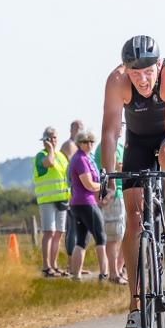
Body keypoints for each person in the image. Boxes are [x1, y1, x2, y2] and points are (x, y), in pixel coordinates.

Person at [100, 35, 165, 328]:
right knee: (135, 214)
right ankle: (135, 305)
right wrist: (106, 175)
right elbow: (111, 132)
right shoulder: (116, 81)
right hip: (138, 142)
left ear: (158, 65)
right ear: (125, 69)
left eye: (148, 71)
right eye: (135, 72)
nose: (142, 79)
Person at [67, 129, 109, 281]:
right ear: (79, 143)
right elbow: (89, 185)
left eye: (92, 141)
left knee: (82, 240)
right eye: (85, 142)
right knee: (101, 237)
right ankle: (104, 273)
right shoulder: (81, 160)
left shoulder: (85, 158)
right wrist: (104, 186)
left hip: (79, 203)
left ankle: (76, 275)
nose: (89, 144)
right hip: (86, 203)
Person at [31, 127, 69, 276]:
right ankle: (46, 267)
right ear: (45, 140)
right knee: (49, 232)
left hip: (62, 199)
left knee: (59, 233)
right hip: (47, 200)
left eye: (55, 138)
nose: (53, 141)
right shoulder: (41, 155)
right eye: (50, 138)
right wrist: (51, 150)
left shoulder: (61, 156)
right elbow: (49, 163)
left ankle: (54, 265)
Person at [95, 127, 127, 283]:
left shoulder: (121, 146)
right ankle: (113, 273)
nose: (121, 128)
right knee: (114, 235)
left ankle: (119, 268)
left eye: (122, 124)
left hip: (125, 192)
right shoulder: (104, 147)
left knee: (126, 233)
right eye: (119, 124)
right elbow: (99, 170)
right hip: (112, 194)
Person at [61, 119, 84, 257]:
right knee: (72, 228)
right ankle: (71, 263)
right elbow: (73, 169)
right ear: (72, 130)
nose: (81, 131)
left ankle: (76, 262)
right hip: (72, 191)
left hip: (79, 191)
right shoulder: (70, 145)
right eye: (78, 128)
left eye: (82, 128)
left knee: (79, 227)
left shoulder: (78, 146)